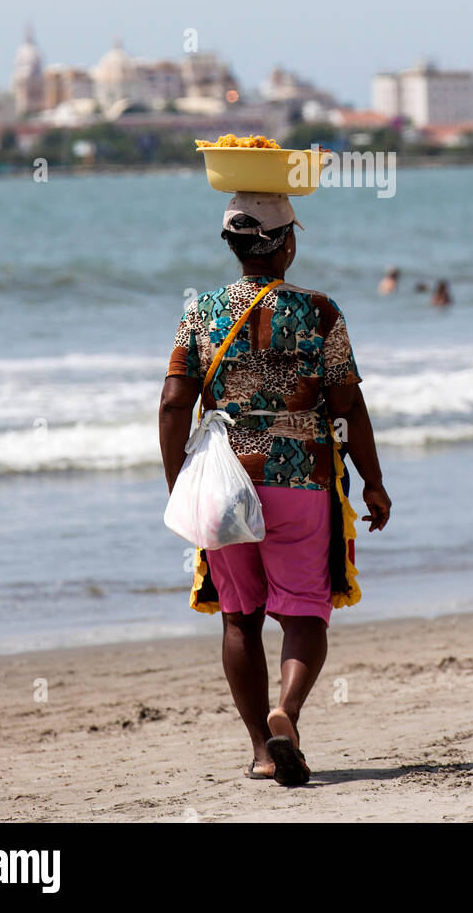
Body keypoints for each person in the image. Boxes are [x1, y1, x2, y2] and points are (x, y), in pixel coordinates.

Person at [159, 191, 391, 788]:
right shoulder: (320, 311)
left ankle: (263, 751)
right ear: (285, 242)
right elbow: (347, 402)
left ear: (234, 246)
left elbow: (173, 402)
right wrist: (373, 481)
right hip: (301, 480)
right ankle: (285, 712)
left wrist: (178, 486)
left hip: (225, 484)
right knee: (305, 610)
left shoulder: (199, 313)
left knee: (239, 618)